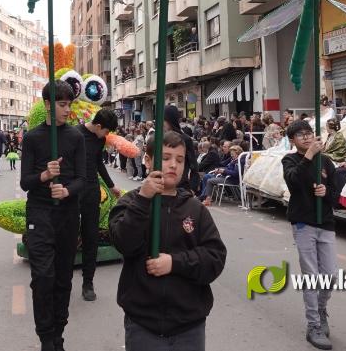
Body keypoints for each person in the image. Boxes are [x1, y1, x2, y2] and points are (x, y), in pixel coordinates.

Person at [109, 131, 226, 351]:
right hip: (143, 325)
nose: (173, 165)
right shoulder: (130, 202)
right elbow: (123, 243)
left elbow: (215, 258)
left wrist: (175, 262)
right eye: (165, 158)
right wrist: (144, 200)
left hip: (189, 326)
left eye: (179, 160)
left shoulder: (195, 209)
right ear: (147, 160)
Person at [20, 81, 86, 351]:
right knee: (43, 277)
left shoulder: (76, 137)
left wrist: (67, 191)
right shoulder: (32, 138)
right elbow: (25, 182)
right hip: (39, 213)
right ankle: (46, 336)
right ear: (48, 105)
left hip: (68, 215)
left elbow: (83, 178)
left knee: (63, 278)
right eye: (61, 104)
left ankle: (58, 332)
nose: (67, 109)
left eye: (69, 104)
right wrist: (45, 176)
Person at [281, 120, 338, 350]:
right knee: (311, 275)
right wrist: (309, 156)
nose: (306, 137)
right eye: (300, 135)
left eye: (309, 133)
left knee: (330, 274)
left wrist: (326, 193)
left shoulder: (326, 161)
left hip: (325, 222)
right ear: (293, 140)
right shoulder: (290, 160)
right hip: (303, 222)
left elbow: (336, 194)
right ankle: (313, 323)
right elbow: (293, 181)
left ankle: (321, 308)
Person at [78, 109, 121, 302]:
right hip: (72, 192)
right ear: (97, 126)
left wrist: (111, 186)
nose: (107, 136)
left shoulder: (99, 139)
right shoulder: (75, 135)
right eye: (106, 131)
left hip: (91, 192)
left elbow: (98, 163)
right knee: (68, 234)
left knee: (91, 236)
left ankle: (88, 282)